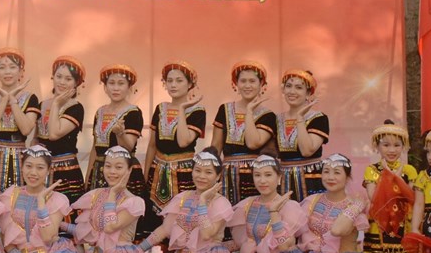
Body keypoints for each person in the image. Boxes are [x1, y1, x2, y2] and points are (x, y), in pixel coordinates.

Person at [362, 121, 419, 253]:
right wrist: (389, 178)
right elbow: (374, 198)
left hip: (404, 226)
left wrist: (395, 179)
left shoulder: (410, 170)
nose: (391, 150)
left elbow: (412, 198)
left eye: (396, 145)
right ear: (377, 147)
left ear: (404, 147)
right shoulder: (372, 170)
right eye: (386, 145)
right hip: (381, 228)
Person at [141, 61, 205, 238]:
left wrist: (182, 109)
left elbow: (184, 141)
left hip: (184, 173)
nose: (173, 85)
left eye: (179, 80)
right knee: (154, 225)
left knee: (181, 222)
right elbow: (152, 145)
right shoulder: (160, 108)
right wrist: (145, 176)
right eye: (169, 81)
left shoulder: (197, 111)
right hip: (157, 171)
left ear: (190, 84)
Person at [210, 61, 274, 206]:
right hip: (227, 175)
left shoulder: (268, 115)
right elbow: (216, 147)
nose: (247, 85)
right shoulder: (224, 110)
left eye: (252, 81)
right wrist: (212, 176)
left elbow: (254, 143)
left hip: (255, 175)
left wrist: (249, 111)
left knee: (252, 212)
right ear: (236, 84)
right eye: (243, 81)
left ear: (261, 84)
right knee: (225, 213)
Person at [0, 47, 39, 193]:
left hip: (19, 157)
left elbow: (26, 129)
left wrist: (12, 100)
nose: (7, 72)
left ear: (21, 71)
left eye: (12, 67)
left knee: (17, 200)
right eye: (2, 67)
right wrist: (5, 98)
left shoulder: (31, 98)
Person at [265, 69, 329, 198]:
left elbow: (307, 150)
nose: (292, 91)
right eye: (288, 86)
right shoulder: (276, 119)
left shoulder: (318, 118)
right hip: (283, 180)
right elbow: (269, 152)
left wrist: (299, 118)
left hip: (311, 179)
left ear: (308, 93)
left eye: (299, 87)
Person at [84, 64, 145, 193]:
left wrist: (120, 134)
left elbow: (129, 147)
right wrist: (88, 175)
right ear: (105, 87)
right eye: (111, 83)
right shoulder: (100, 112)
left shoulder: (133, 112)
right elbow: (95, 147)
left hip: (121, 170)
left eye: (121, 83)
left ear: (129, 87)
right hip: (99, 169)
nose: (116, 88)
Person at [34, 56, 87, 204]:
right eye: (59, 76)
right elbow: (36, 137)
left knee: (63, 211)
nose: (62, 82)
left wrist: (56, 104)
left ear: (76, 83)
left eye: (68, 79)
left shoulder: (76, 108)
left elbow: (54, 134)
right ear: (53, 77)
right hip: (41, 169)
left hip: (65, 171)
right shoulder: (42, 104)